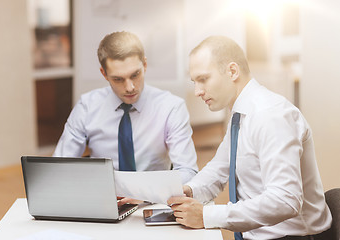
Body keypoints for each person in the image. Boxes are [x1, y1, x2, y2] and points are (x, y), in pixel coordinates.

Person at [167, 36, 332, 240]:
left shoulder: (271, 116)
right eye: (195, 82)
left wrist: (206, 215)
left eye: (203, 79)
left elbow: (285, 200)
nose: (198, 91)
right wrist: (188, 191)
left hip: (293, 237)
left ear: (232, 71)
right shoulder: (240, 115)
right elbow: (218, 168)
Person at [53, 31, 198, 186]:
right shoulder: (87, 106)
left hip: (153, 200)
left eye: (135, 75)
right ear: (104, 74)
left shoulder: (171, 107)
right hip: (103, 197)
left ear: (145, 65)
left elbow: (188, 171)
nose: (130, 87)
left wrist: (148, 191)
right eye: (118, 79)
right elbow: (59, 168)